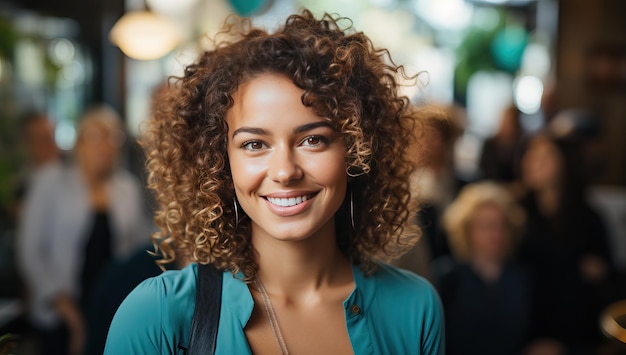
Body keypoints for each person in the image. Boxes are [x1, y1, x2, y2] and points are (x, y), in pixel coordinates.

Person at [105, 10, 444, 355]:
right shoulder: (158, 315)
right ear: (220, 162)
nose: (285, 171)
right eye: (255, 144)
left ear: (358, 149)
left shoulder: (415, 309)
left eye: (313, 140)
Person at [16, 105, 152, 355]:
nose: (104, 145)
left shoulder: (126, 187)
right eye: (95, 136)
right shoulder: (51, 181)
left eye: (112, 137)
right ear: (78, 143)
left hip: (109, 302)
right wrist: (68, 310)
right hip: (57, 306)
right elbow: (30, 250)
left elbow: (138, 247)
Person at [516, 131, 615, 355]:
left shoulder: (589, 218)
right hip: (521, 327)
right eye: (530, 156)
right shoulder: (515, 212)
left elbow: (604, 276)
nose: (533, 163)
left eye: (544, 157)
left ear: (565, 164)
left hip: (573, 334)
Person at [432, 181, 531, 355]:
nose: (496, 234)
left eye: (503, 226)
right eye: (487, 226)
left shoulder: (523, 277)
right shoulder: (447, 276)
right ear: (467, 230)